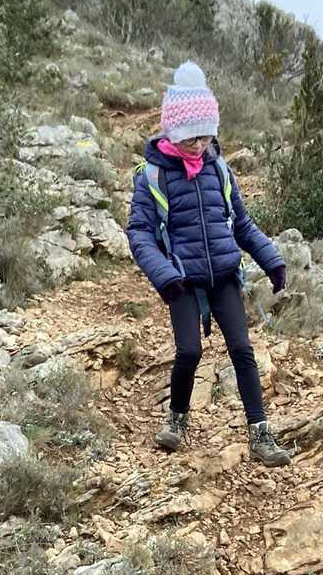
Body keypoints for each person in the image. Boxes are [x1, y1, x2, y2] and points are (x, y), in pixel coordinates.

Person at [127, 61, 292, 467]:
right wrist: (164, 276)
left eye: (205, 136)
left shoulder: (219, 169)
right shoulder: (151, 177)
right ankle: (177, 421)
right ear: (172, 131)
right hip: (182, 282)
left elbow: (243, 224)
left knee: (242, 350)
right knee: (188, 353)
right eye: (190, 138)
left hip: (224, 276)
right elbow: (140, 234)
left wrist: (270, 259)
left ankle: (261, 436)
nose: (199, 145)